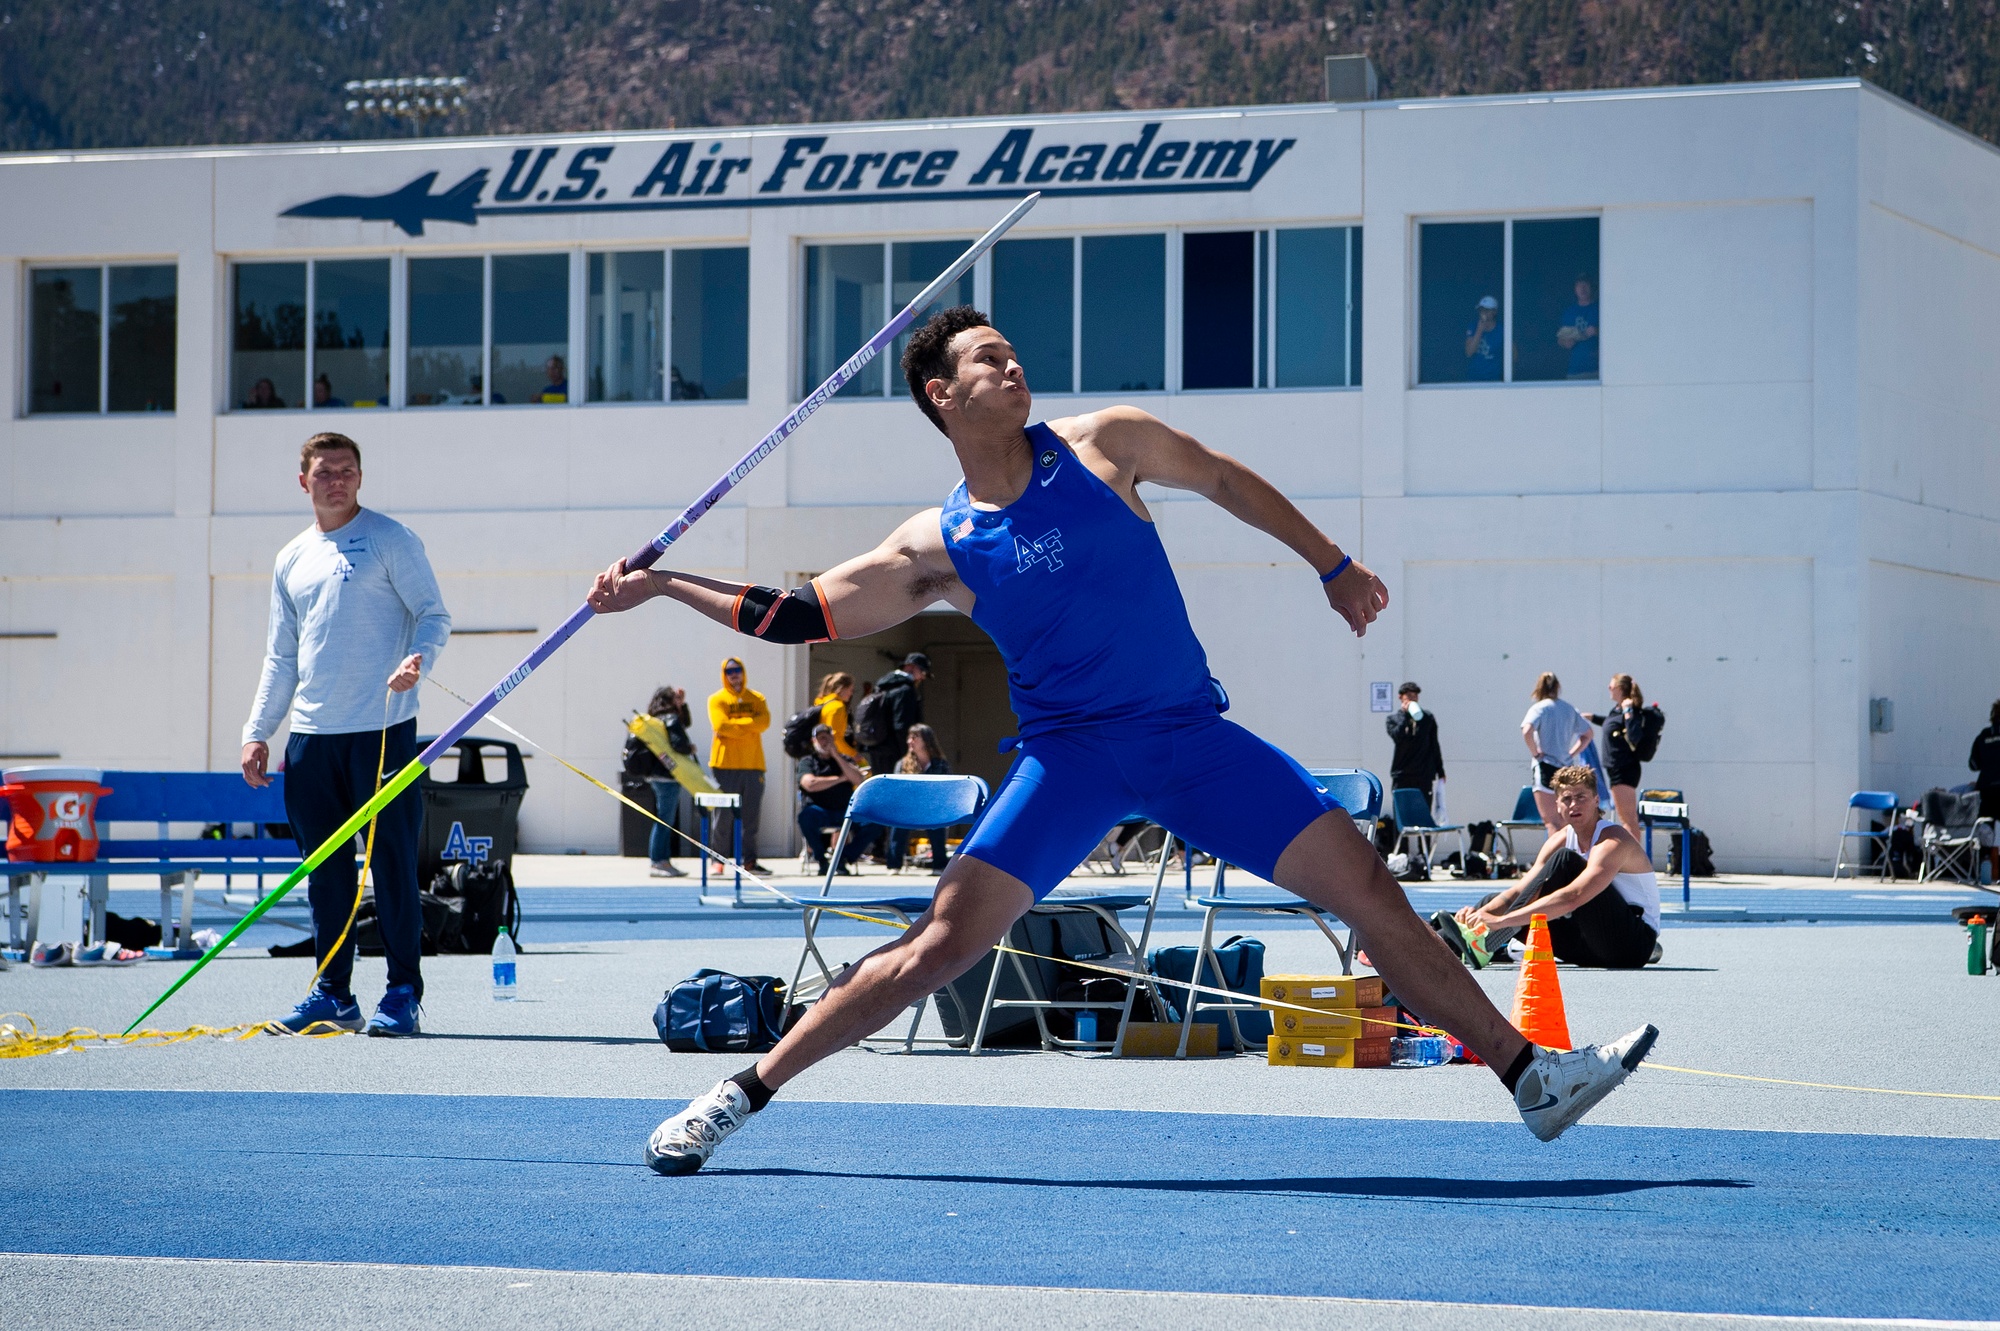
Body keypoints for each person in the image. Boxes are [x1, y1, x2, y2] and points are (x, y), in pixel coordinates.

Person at [587, 304, 1654, 1174]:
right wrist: (662, 584)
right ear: (939, 396)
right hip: (1070, 759)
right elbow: (799, 613)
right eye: (985, 359)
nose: (1012, 364)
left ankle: (1531, 1078)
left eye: (1011, 348)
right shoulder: (938, 543)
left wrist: (1331, 565)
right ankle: (738, 1092)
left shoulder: (1107, 443)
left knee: (1367, 887)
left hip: (1189, 737)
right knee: (937, 946)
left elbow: (1228, 481)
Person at [241, 432, 450, 1037]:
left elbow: (434, 615)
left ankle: (402, 994)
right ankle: (333, 994)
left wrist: (418, 662)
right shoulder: (291, 558)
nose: (338, 481)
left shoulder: (391, 540)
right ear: (302, 481)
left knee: (390, 866)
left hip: (381, 730)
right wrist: (259, 731)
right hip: (311, 739)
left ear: (361, 477)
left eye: (348, 471)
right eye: (326, 472)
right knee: (325, 871)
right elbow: (281, 654)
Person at [1440, 765, 1660, 970]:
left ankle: (1489, 940)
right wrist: (1479, 916)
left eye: (1581, 797)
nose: (1574, 804)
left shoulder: (1613, 841)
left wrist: (1500, 922)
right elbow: (1522, 890)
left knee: (1565, 861)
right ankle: (1438, 944)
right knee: (1493, 900)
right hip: (1586, 945)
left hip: (1630, 945)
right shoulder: (1560, 839)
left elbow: (1575, 896)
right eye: (1567, 799)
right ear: (1557, 805)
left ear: (1595, 800)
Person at [707, 656, 770, 873]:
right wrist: (749, 727)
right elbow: (721, 725)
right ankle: (718, 860)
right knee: (722, 816)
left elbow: (765, 722)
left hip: (753, 764)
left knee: (751, 818)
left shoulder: (757, 698)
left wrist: (736, 728)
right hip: (725, 765)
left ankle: (750, 861)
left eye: (738, 670)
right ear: (724, 675)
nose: (734, 675)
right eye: (729, 671)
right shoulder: (717, 699)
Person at [622, 685, 692, 877]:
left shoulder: (655, 720)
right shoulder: (670, 719)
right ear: (670, 702)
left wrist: (682, 705)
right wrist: (690, 748)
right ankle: (658, 861)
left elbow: (685, 723)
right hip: (667, 777)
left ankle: (662, 861)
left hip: (655, 776)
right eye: (676, 700)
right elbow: (680, 743)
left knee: (663, 819)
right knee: (665, 821)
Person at [1522, 672, 1591, 835]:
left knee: (1551, 822)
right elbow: (1588, 734)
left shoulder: (1539, 708)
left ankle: (1557, 859)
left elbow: (1527, 731)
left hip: (1545, 766)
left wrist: (1535, 752)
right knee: (1566, 821)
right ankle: (1570, 856)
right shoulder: (1568, 709)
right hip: (1565, 768)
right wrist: (1571, 753)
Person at [796, 724, 870, 873]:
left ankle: (842, 857)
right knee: (805, 816)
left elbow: (858, 780)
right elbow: (810, 784)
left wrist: (836, 756)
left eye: (827, 738)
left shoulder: (844, 759)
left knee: (873, 821)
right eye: (820, 738)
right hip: (819, 811)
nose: (824, 742)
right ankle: (821, 859)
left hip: (844, 812)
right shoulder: (808, 762)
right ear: (813, 741)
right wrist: (840, 779)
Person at [888, 723, 952, 873]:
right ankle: (894, 864)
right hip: (909, 808)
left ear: (926, 740)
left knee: (938, 821)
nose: (910, 741)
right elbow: (898, 790)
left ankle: (939, 865)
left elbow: (946, 789)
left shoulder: (940, 764)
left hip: (931, 808)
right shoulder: (902, 764)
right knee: (898, 820)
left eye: (915, 737)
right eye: (909, 737)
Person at [1588, 674, 1646, 834]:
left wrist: (1629, 711)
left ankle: (1633, 858)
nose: (1609, 688)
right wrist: (1592, 717)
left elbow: (1635, 736)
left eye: (1611, 686)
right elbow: (1611, 723)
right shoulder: (1617, 710)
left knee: (1628, 819)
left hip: (1624, 768)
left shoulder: (1630, 709)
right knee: (1625, 818)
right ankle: (1631, 857)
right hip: (1615, 769)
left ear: (1620, 689)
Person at [864, 652, 930, 778]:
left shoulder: (882, 686)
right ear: (911, 667)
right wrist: (909, 755)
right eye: (922, 672)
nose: (922, 677)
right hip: (894, 753)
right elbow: (902, 726)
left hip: (877, 749)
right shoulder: (905, 690)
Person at [1384, 681, 1445, 812]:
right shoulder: (1393, 719)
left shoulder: (1428, 718)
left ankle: (1424, 834)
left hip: (1423, 774)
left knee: (1423, 813)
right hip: (1402, 774)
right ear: (1400, 697)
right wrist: (1405, 716)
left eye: (1415, 696)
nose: (1412, 699)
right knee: (1402, 813)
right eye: (1409, 696)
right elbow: (1397, 737)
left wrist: (1440, 771)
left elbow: (1434, 744)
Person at [1970, 699, 2000, 881]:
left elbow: (1973, 764)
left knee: (1986, 825)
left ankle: (1985, 861)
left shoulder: (1983, 736)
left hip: (1987, 789)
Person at [1555, 274, 1599, 380]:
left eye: (1585, 285)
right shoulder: (1569, 312)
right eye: (1579, 285)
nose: (1582, 288)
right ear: (1575, 289)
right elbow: (1560, 339)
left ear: (1591, 287)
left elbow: (1617, 334)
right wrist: (1566, 343)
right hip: (1575, 370)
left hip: (1598, 371)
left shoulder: (1600, 308)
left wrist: (1597, 331)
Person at [813, 671, 861, 760]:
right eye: (851, 690)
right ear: (842, 688)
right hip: (834, 756)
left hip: (821, 753)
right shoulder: (838, 707)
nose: (851, 694)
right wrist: (854, 755)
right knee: (866, 771)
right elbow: (835, 737)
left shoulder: (823, 703)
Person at [1464, 295, 1503, 382]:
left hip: (1494, 379)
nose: (1483, 313)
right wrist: (1479, 330)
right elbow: (1469, 352)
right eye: (1481, 310)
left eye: (1487, 310)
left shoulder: (1501, 330)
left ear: (1494, 312)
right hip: (1474, 378)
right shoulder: (1473, 327)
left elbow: (1514, 356)